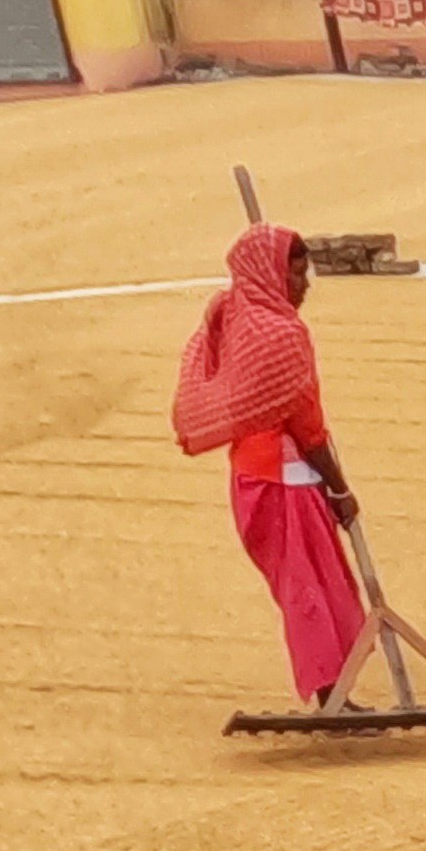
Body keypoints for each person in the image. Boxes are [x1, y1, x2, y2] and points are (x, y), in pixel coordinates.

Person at [171, 226, 368, 709]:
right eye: (294, 273)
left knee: (314, 584)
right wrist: (340, 491)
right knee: (312, 587)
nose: (304, 285)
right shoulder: (280, 335)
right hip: (282, 482)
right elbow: (307, 426)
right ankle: (331, 695)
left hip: (256, 480)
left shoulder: (235, 314)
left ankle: (334, 691)